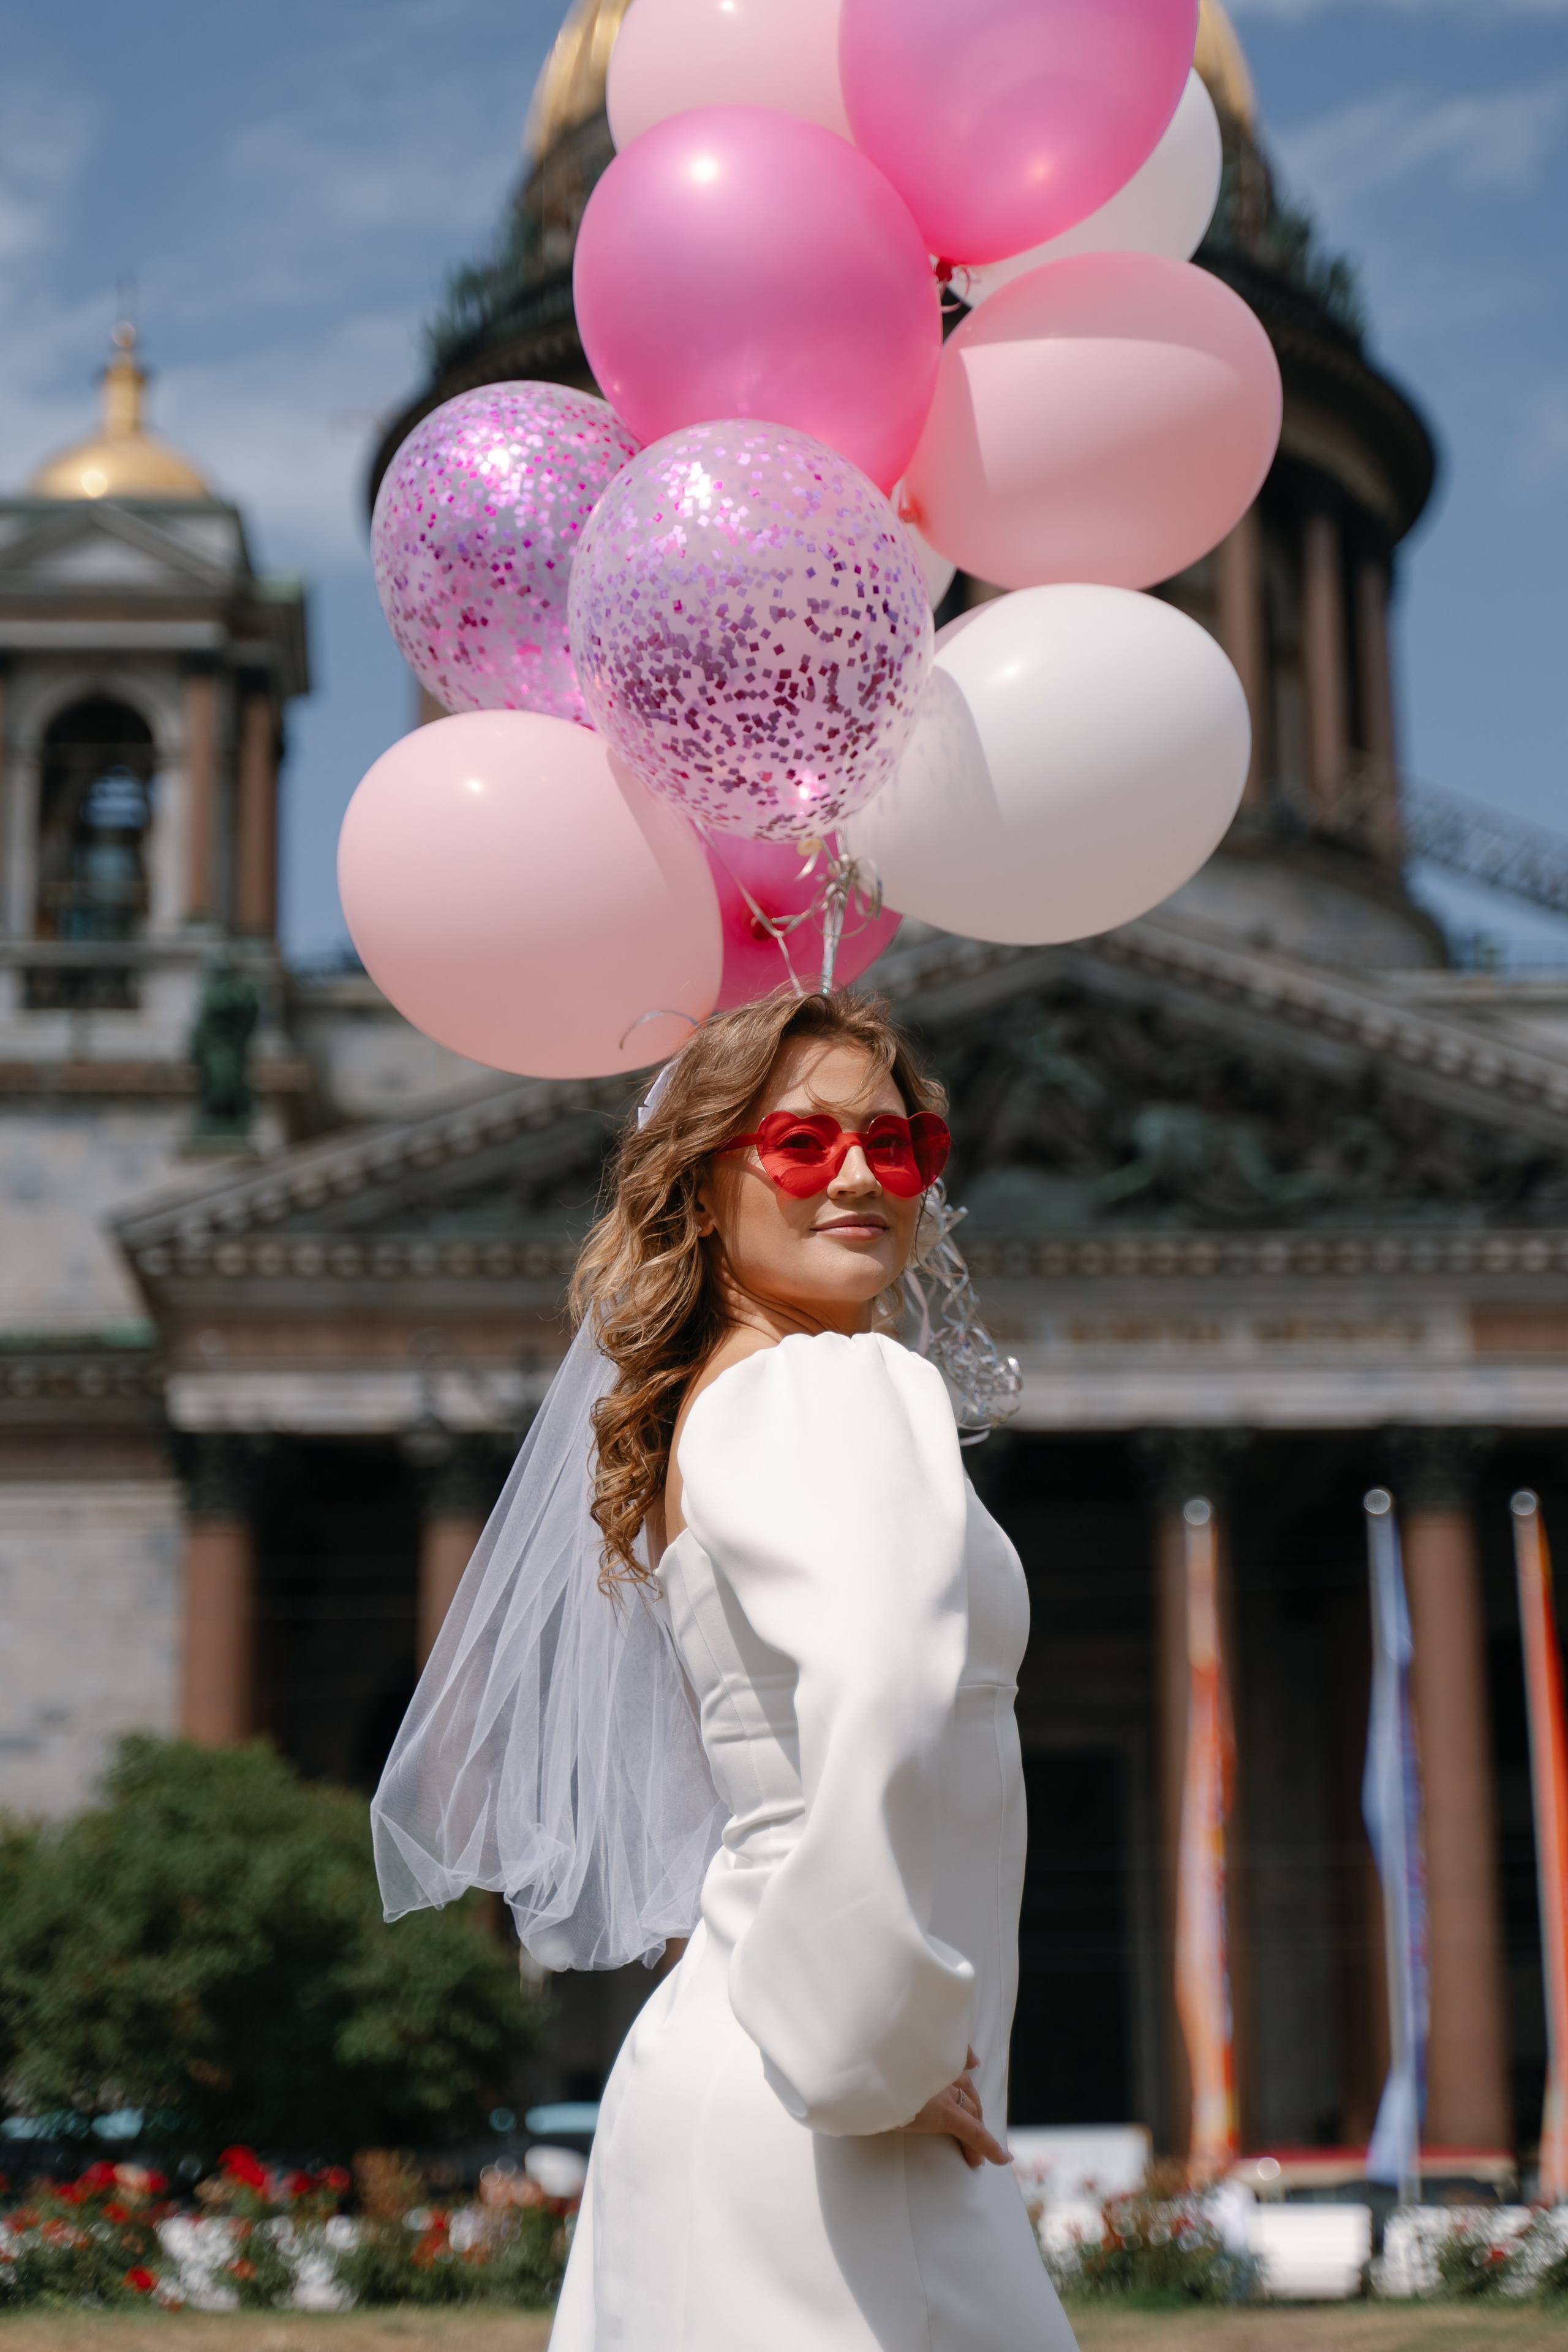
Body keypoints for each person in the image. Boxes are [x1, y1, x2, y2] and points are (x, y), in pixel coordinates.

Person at [373, 989, 1077, 2352]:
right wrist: (879, 2044)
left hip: (744, 2065)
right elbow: (873, 1708)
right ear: (701, 1181)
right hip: (840, 2099)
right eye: (802, 1143)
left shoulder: (723, 1397)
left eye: (901, 1143)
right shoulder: (839, 1387)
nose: (863, 1175)